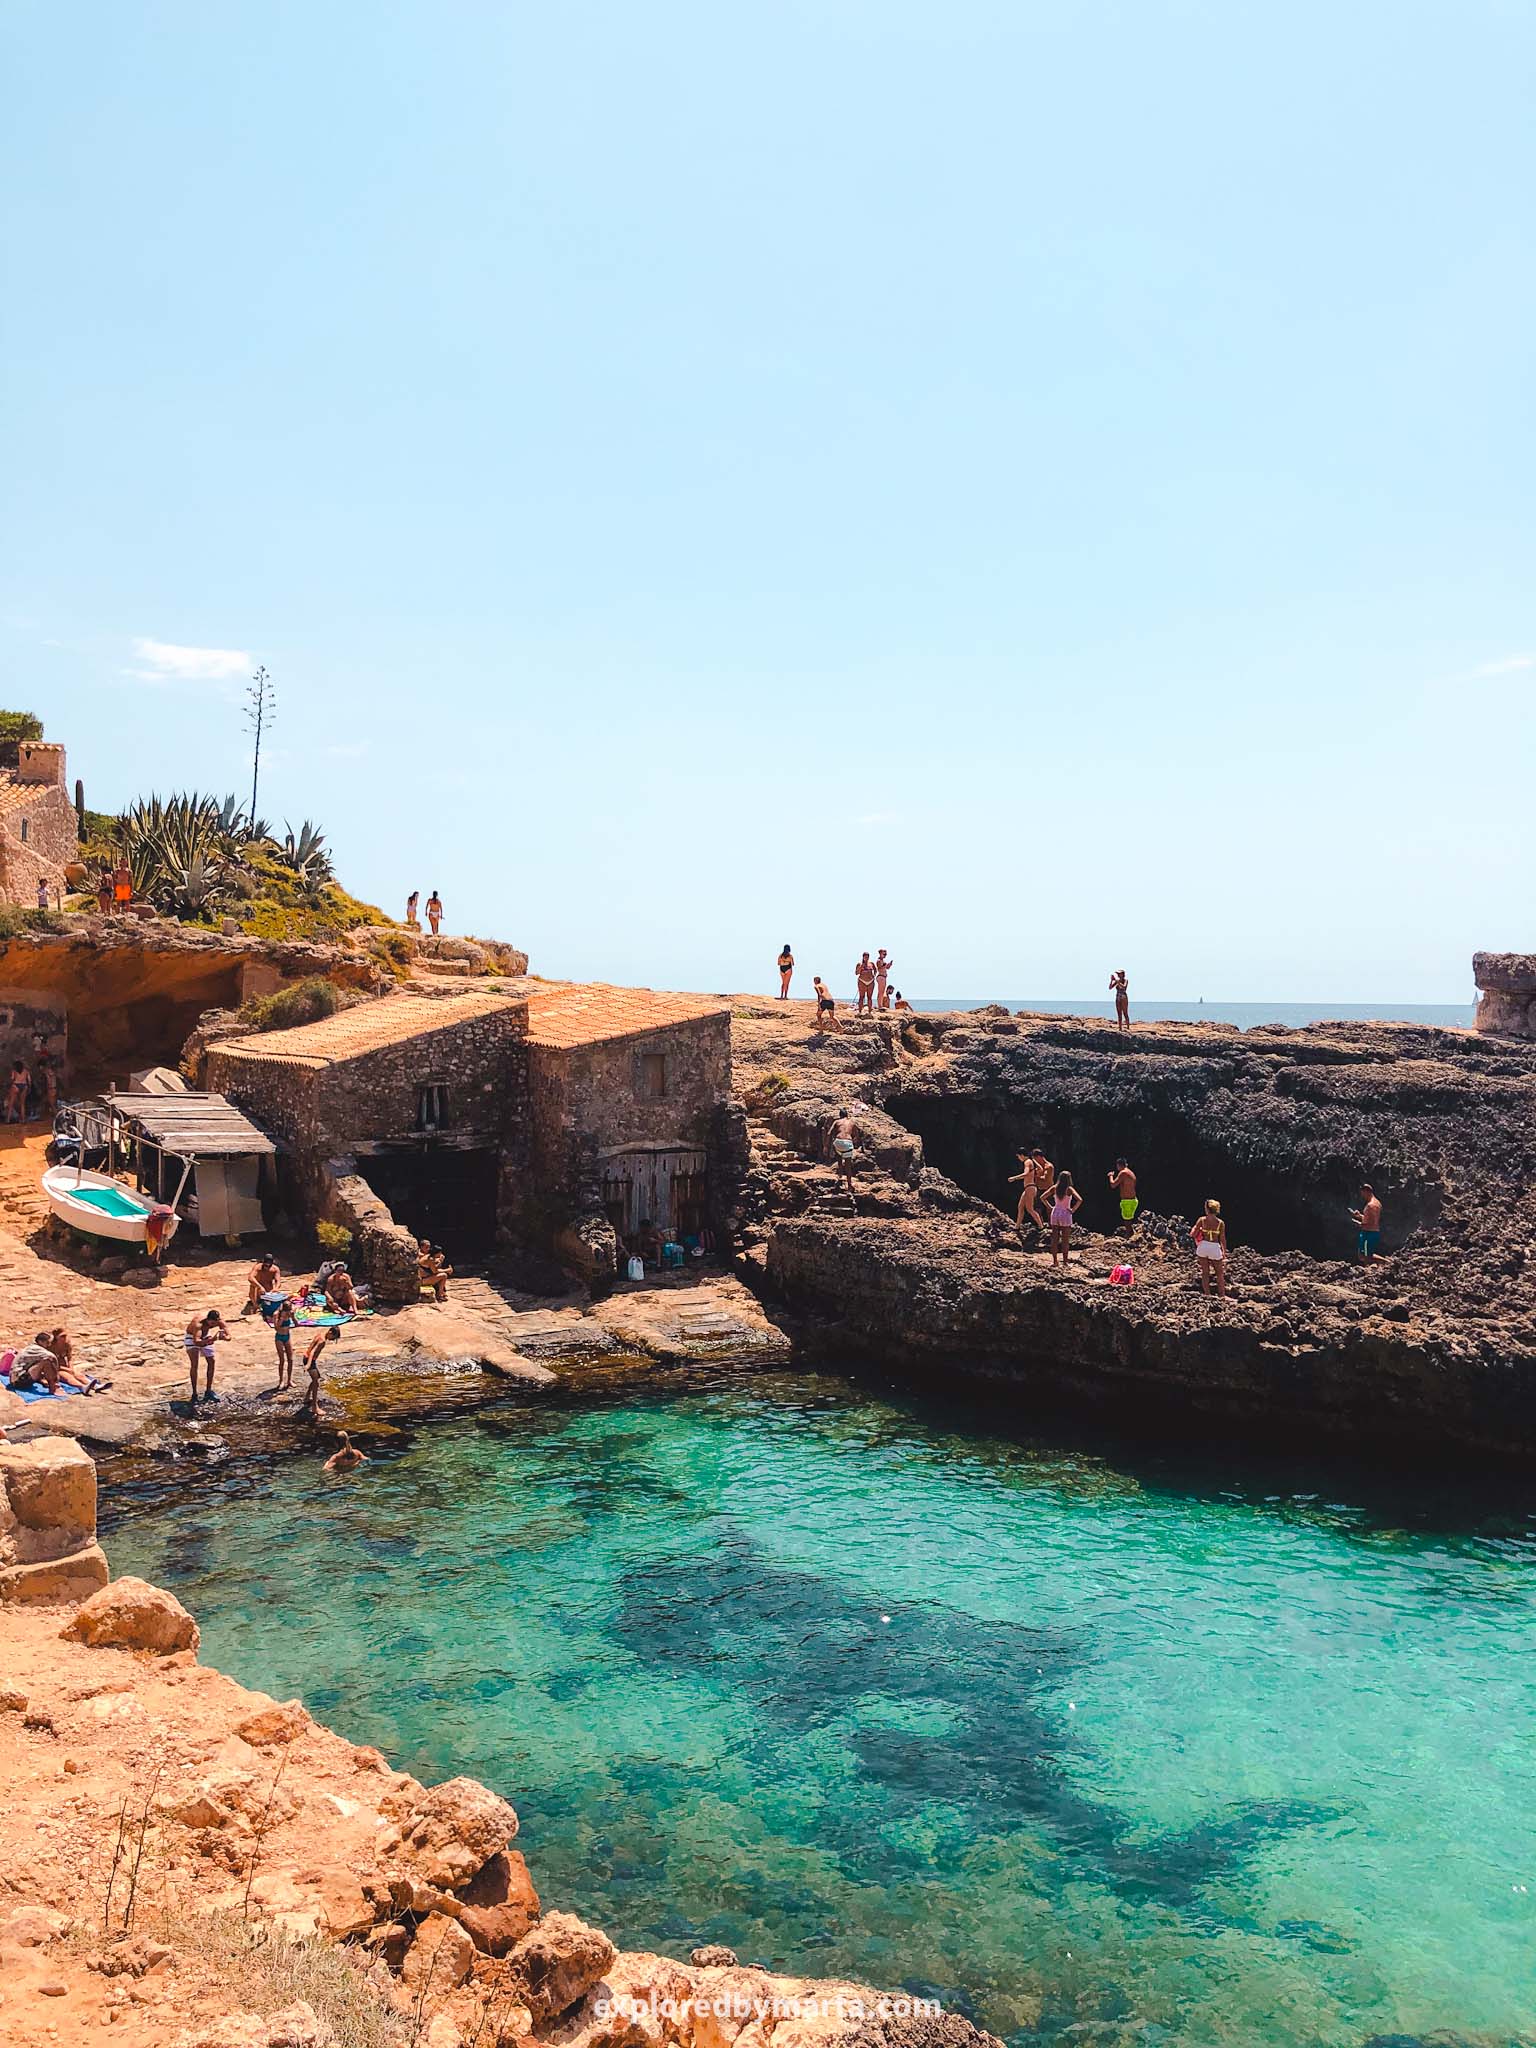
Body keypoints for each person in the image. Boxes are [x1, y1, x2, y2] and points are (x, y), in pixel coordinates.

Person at [184, 1309, 229, 1403]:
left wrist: (224, 1337)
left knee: (212, 1361)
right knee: (195, 1364)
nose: (212, 1325)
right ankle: (194, 1394)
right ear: (207, 1320)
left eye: (214, 1323)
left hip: (206, 1337)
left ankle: (208, 1391)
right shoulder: (198, 1325)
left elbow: (229, 1336)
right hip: (192, 1338)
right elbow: (197, 1341)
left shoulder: (220, 1322)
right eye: (211, 1323)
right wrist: (212, 1340)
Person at [1192, 1200, 1228, 1298]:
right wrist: (1224, 1252)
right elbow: (1222, 1239)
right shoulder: (1220, 1223)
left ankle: (1207, 1295)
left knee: (1205, 1272)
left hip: (1203, 1247)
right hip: (1214, 1247)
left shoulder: (1202, 1220)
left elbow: (1194, 1234)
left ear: (1207, 1209)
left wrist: (1197, 1230)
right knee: (1219, 1274)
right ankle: (1222, 1296)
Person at [1007, 1148, 1046, 1239]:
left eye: (1018, 1157)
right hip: (1029, 1188)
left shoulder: (1027, 1162)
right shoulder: (1030, 1161)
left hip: (1030, 1188)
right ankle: (1017, 1227)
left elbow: (1026, 1173)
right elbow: (1040, 1169)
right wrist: (1033, 1163)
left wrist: (1014, 1178)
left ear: (1021, 1155)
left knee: (1030, 1209)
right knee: (1020, 1206)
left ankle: (1041, 1226)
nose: (1019, 1159)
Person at [300, 1324, 337, 1418]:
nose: (331, 1340)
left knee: (316, 1377)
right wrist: (308, 1364)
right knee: (316, 1382)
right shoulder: (322, 1341)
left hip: (307, 1358)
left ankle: (307, 1397)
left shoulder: (320, 1334)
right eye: (333, 1338)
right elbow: (312, 1352)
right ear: (330, 1332)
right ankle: (314, 1406)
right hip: (309, 1360)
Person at [1048, 1172, 1082, 1268]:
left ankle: (1055, 1262)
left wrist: (1050, 1207)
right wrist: (1073, 1210)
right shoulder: (1069, 1189)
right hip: (1065, 1213)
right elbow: (1080, 1199)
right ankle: (1065, 1262)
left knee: (1054, 1239)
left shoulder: (1054, 1188)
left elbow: (1043, 1197)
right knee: (1065, 1240)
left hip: (1055, 1213)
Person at [1351, 1184, 1383, 1262]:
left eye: (1362, 1193)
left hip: (1368, 1232)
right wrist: (1359, 1216)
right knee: (1366, 1255)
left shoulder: (1370, 1206)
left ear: (1367, 1192)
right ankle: (1376, 1267)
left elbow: (1371, 1222)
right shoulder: (1377, 1203)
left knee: (1364, 1256)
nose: (1362, 1196)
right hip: (1373, 1232)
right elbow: (1371, 1219)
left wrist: (1359, 1224)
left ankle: (1386, 1262)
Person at [272, 1293, 297, 1390]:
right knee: (282, 1360)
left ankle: (289, 1380)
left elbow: (296, 1324)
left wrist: (293, 1317)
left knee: (290, 1359)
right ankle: (281, 1380)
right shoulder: (277, 1315)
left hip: (287, 1336)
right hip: (279, 1337)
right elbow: (276, 1328)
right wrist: (281, 1319)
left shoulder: (290, 1314)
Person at [830, 1109, 858, 1193]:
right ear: (847, 1115)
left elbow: (829, 1133)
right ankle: (849, 1186)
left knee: (839, 1158)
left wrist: (826, 1147)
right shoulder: (852, 1122)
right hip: (848, 1142)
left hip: (838, 1142)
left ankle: (840, 1177)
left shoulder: (836, 1122)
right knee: (848, 1165)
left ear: (840, 1116)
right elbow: (856, 1136)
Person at [1108, 1158, 1138, 1231]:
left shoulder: (1123, 1173)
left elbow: (1113, 1185)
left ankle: (1129, 1237)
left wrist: (1110, 1176)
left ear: (1119, 1165)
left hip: (1127, 1201)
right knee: (1129, 1221)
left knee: (1127, 1222)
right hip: (1133, 1200)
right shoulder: (1131, 1172)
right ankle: (1131, 1235)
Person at [3, 1059, 29, 1123]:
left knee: (11, 1103)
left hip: (16, 1086)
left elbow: (12, 1079)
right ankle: (23, 1119)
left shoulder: (14, 1071)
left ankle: (8, 1119)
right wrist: (29, 1088)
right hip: (24, 1086)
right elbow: (29, 1080)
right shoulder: (26, 1071)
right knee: (22, 1104)